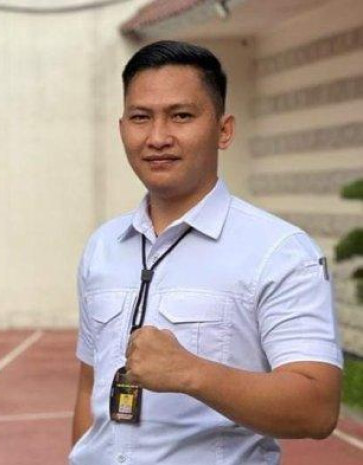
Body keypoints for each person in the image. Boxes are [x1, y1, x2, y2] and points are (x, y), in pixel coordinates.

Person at [70, 41, 343, 465]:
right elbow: (91, 387)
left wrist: (189, 372)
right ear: (122, 128)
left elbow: (317, 406)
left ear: (223, 130)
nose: (158, 137)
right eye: (141, 118)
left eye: (181, 116)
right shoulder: (103, 247)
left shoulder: (280, 252)